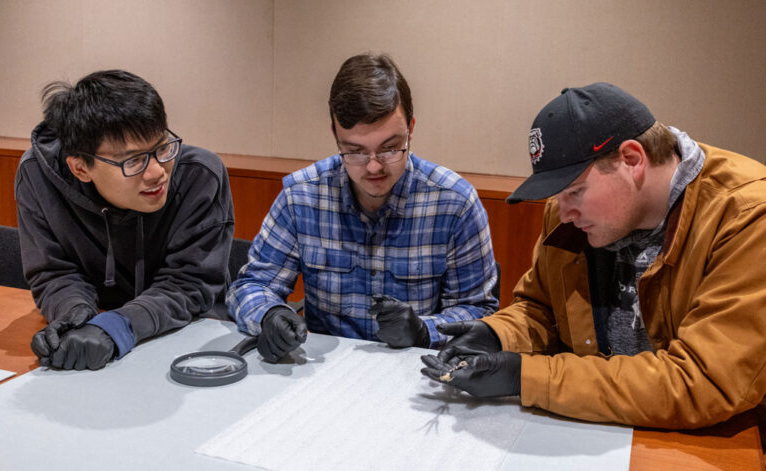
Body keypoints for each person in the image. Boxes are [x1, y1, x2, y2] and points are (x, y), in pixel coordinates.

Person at [421, 82, 766, 429]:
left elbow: (703, 382)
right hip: (589, 427)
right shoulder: (569, 214)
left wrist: (526, 378)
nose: (563, 210)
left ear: (632, 159)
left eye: (575, 191)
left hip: (696, 443)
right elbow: (541, 308)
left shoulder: (747, 217)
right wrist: (496, 335)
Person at [227, 53, 498, 363]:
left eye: (389, 148)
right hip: (323, 373)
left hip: (416, 372)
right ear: (335, 135)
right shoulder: (302, 197)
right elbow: (250, 286)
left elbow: (480, 311)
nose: (373, 167)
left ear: (411, 128)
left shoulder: (454, 203)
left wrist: (425, 331)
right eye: (355, 151)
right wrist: (269, 313)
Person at [19, 70, 235, 371]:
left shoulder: (200, 175)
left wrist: (117, 326)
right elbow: (53, 271)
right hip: (100, 341)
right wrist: (74, 314)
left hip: (188, 337)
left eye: (162, 147)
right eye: (133, 160)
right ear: (81, 168)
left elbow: (189, 283)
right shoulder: (37, 174)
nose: (158, 171)